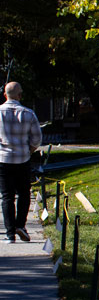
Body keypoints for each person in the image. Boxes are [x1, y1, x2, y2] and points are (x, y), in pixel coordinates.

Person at [0, 81, 42, 244]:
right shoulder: (28, 113)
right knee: (24, 193)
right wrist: (29, 150)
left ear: (5, 95)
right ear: (20, 95)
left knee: (7, 196)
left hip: (3, 159)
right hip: (23, 158)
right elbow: (37, 138)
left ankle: (10, 233)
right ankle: (20, 225)